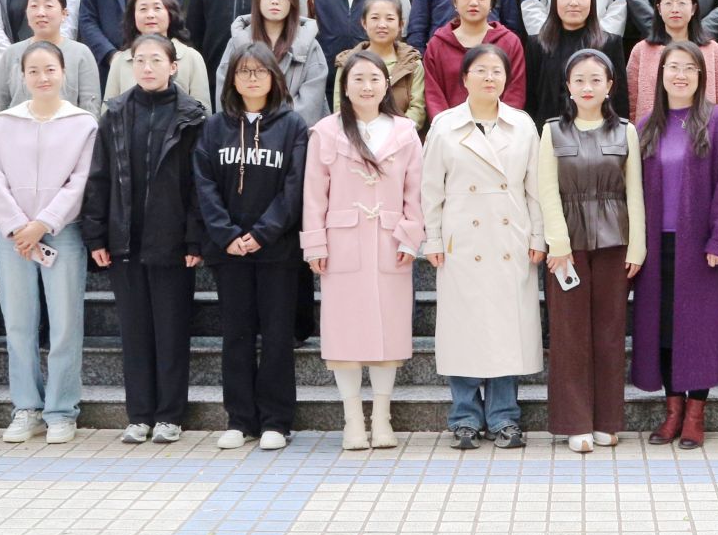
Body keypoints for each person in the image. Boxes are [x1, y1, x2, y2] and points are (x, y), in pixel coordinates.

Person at [84, 33, 208, 445]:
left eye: (156, 60)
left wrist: (194, 240)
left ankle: (170, 415)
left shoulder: (192, 117)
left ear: (174, 66)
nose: (148, 67)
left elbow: (199, 185)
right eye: (140, 60)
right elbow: (99, 178)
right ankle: (139, 415)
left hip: (172, 242)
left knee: (171, 331)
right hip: (126, 239)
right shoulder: (115, 113)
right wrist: (96, 234)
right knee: (134, 333)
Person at [422, 46, 546, 450]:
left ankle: (504, 416)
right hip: (463, 241)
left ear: (507, 79)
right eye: (481, 70)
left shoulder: (522, 125)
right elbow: (431, 190)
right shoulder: (444, 126)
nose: (489, 78)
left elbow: (535, 188)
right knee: (463, 330)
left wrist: (538, 236)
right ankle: (464, 417)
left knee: (506, 330)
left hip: (510, 239)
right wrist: (433, 238)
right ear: (464, 77)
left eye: (497, 71)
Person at [302, 50, 426, 451]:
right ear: (344, 86)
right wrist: (315, 243)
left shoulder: (404, 131)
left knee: (390, 333)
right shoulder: (326, 131)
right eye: (358, 79)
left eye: (374, 78)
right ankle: (352, 419)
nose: (367, 86)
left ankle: (383, 417)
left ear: (387, 84)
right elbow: (313, 195)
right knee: (345, 334)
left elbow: (416, 190)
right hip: (342, 243)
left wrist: (410, 235)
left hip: (390, 241)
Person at [631, 41, 718, 450]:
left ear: (701, 76)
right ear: (660, 75)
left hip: (702, 247)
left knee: (699, 330)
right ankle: (672, 411)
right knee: (664, 330)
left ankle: (696, 415)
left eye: (689, 68)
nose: (680, 75)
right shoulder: (646, 126)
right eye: (672, 68)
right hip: (657, 247)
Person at [194, 43, 309, 452]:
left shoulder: (293, 126)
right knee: (236, 335)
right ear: (232, 79)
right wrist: (226, 234)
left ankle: (277, 420)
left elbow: (295, 187)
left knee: (277, 336)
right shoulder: (214, 126)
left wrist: (262, 233)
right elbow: (204, 184)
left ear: (274, 78)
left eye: (260, 71)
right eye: (244, 71)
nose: (252, 78)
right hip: (229, 252)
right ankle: (240, 419)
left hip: (277, 250)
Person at [0, 41, 98, 445]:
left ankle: (62, 411)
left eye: (50, 69)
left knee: (65, 325)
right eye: (33, 71)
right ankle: (26, 408)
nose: (42, 77)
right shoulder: (4, 123)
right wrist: (19, 225)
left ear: (63, 72)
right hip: (13, 236)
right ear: (21, 76)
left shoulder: (83, 123)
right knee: (18, 324)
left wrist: (44, 222)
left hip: (62, 232)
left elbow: (80, 182)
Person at [538, 49, 645, 453]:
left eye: (596, 79)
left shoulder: (626, 132)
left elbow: (634, 192)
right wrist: (558, 243)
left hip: (615, 243)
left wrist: (637, 246)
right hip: (568, 247)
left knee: (610, 332)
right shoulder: (552, 131)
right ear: (568, 86)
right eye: (579, 79)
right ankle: (575, 422)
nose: (587, 87)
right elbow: (546, 189)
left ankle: (606, 421)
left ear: (609, 86)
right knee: (569, 334)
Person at [215, 0, 329, 124]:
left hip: (293, 134)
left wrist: (273, 129)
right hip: (243, 132)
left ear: (292, 1)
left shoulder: (310, 45)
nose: (275, 0)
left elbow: (311, 105)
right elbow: (225, 97)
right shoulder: (238, 42)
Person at [424, 0, 528, 120]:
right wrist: (447, 126)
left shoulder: (510, 42)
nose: (473, 2)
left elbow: (515, 92)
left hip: (499, 129)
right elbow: (433, 95)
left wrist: (500, 126)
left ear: (492, 2)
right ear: (454, 1)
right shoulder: (437, 44)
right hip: (449, 129)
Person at [626, 0, 718, 126]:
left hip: (703, 132)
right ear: (659, 8)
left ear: (693, 8)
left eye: (682, 2)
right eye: (668, 3)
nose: (675, 9)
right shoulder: (641, 50)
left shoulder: (712, 49)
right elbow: (630, 101)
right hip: (652, 132)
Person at [526, 0, 627, 122]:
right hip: (547, 130)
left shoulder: (610, 43)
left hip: (599, 131)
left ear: (592, 0)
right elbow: (530, 98)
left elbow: (620, 99)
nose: (574, 2)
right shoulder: (537, 44)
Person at [0, 0, 102, 117]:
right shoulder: (11, 53)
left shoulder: (80, 53)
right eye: (34, 6)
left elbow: (90, 107)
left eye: (48, 6)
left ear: (64, 13)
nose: (41, 13)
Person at [330, 0, 427, 131]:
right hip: (355, 137)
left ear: (401, 24)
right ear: (364, 23)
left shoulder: (412, 63)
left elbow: (417, 109)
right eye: (375, 18)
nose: (382, 25)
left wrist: (392, 135)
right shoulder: (347, 62)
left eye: (390, 19)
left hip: (401, 138)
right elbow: (340, 108)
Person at [103, 0, 212, 103]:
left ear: (170, 13)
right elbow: (109, 110)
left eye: (157, 8)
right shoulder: (120, 61)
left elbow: (203, 109)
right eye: (143, 9)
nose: (150, 15)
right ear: (133, 16)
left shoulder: (192, 58)